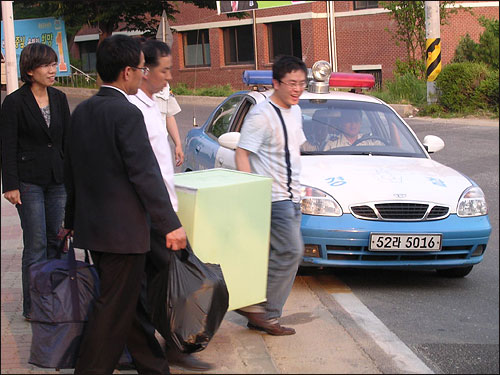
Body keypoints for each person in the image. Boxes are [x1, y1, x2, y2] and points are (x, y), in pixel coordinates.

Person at [64, 34, 186, 375]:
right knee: (112, 312)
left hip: (95, 230)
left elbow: (70, 169)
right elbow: (145, 175)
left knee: (129, 309)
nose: (144, 75)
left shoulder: (83, 110)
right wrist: (170, 224)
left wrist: (71, 218)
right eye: (143, 69)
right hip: (124, 234)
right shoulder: (126, 113)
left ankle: (154, 367)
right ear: (128, 71)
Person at [128, 38, 212, 371]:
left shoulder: (154, 101)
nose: (169, 77)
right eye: (165, 70)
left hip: (164, 205)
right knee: (171, 276)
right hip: (149, 211)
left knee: (167, 277)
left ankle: (171, 344)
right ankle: (169, 346)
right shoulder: (131, 107)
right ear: (144, 70)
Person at [234, 55, 307, 336]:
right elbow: (242, 153)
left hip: (293, 196)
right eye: (291, 83)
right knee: (291, 250)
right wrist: (250, 193)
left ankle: (258, 311)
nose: (297, 89)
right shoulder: (261, 115)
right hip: (273, 198)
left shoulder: (296, 111)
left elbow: (295, 151)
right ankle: (263, 312)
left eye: (301, 83)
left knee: (282, 253)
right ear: (275, 83)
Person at [1, 42, 70, 321]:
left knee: (57, 239)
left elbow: (67, 141)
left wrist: (73, 179)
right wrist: (10, 185)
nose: (53, 70)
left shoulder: (60, 97)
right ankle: (33, 307)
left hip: (58, 180)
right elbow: (7, 145)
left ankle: (54, 299)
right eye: (46, 65)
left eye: (54, 64)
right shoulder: (14, 102)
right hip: (28, 182)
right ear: (30, 70)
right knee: (37, 244)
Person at [154, 82, 184, 167]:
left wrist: (178, 144)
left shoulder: (165, 84)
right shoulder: (135, 79)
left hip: (161, 148)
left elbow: (169, 115)